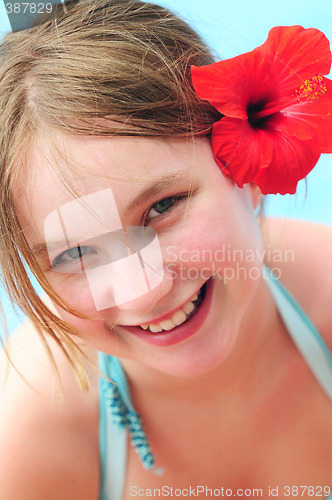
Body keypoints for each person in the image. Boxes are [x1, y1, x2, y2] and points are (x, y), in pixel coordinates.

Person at [0, 1, 331, 499]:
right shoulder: (33, 440)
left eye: (162, 207)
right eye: (74, 254)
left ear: (245, 166)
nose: (143, 292)